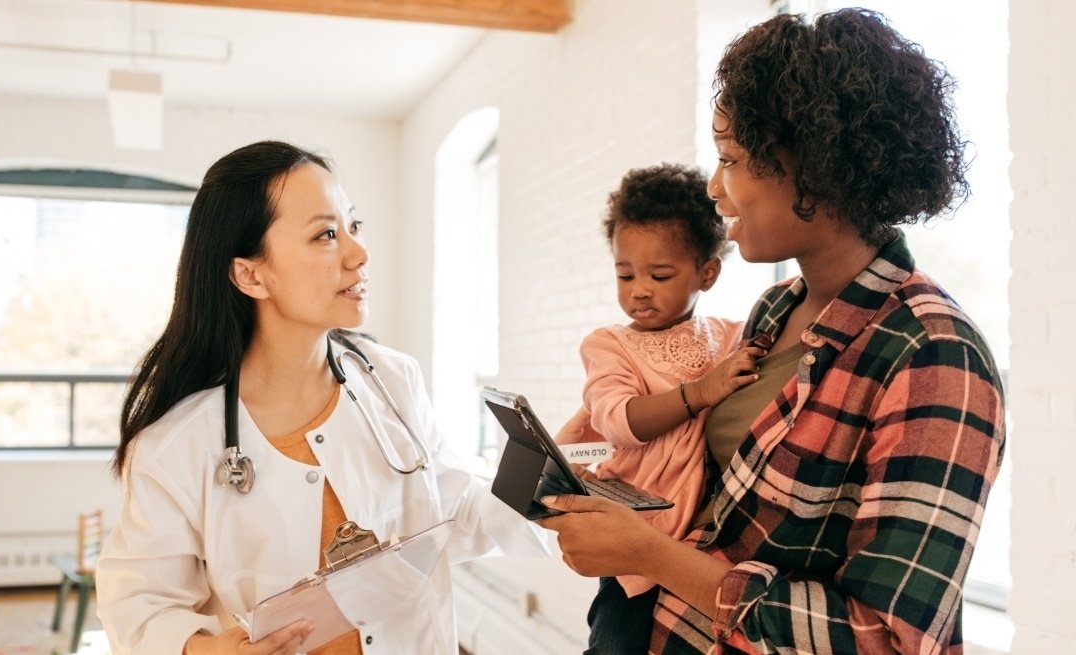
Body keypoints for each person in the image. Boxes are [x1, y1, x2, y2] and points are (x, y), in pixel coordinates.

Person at [540, 9, 1005, 654]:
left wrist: (652, 553)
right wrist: (593, 455)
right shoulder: (772, 311)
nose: (713, 188)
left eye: (729, 158)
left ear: (813, 167)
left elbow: (886, 640)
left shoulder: (934, 355)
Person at [95, 141, 547, 655]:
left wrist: (546, 471)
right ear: (250, 274)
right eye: (326, 235)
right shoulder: (177, 442)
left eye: (353, 227)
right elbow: (138, 602)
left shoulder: (393, 380)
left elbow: (455, 511)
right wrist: (207, 650)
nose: (359, 253)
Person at [556, 163, 764, 654]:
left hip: (701, 541)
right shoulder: (609, 346)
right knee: (618, 643)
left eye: (660, 274)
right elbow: (620, 421)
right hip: (637, 529)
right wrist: (699, 393)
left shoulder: (729, 336)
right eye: (625, 274)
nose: (640, 288)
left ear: (707, 273)